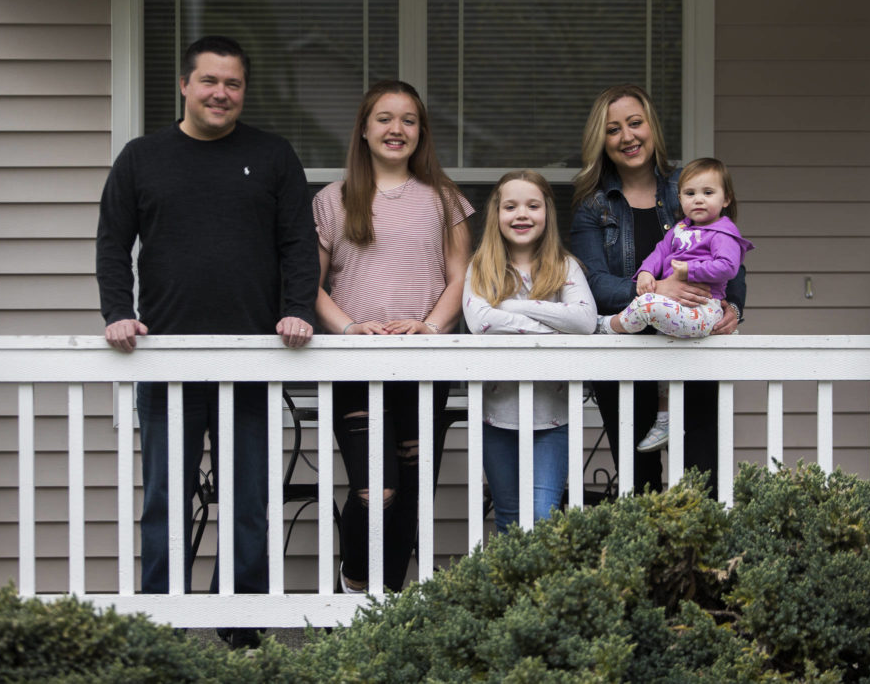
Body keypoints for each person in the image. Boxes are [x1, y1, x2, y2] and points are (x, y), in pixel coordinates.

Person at [95, 36, 319, 648]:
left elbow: (299, 244)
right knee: (167, 500)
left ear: (243, 91)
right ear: (186, 86)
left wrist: (297, 310)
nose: (222, 93)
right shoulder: (142, 158)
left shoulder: (273, 157)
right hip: (167, 357)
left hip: (254, 357)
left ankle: (238, 625)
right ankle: (163, 624)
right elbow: (113, 243)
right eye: (210, 81)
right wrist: (119, 312)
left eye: (234, 84)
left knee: (249, 502)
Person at [313, 80, 473, 593]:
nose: (396, 129)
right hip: (356, 364)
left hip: (423, 365)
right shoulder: (331, 201)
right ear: (363, 129)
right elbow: (309, 288)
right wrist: (349, 327)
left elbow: (460, 278)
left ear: (421, 132)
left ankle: (391, 608)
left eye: (408, 120)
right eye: (384, 118)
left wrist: (428, 326)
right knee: (375, 489)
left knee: (412, 492)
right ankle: (356, 587)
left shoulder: (444, 199)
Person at [569, 84, 747, 497]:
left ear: (652, 128)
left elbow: (730, 250)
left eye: (635, 123)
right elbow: (595, 284)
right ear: (602, 140)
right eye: (614, 129)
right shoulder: (593, 207)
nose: (627, 137)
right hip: (626, 362)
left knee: (703, 482)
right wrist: (656, 291)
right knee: (639, 485)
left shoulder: (687, 187)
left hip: (693, 354)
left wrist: (734, 305)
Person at [462, 170, 598, 532]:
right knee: (508, 516)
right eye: (511, 206)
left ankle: (540, 591)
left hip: (553, 416)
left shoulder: (564, 266)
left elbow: (585, 320)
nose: (521, 214)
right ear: (497, 214)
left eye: (532, 205)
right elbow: (480, 322)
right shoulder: (482, 266)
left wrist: (516, 307)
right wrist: (553, 328)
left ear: (547, 213)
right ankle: (513, 591)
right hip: (497, 414)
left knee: (541, 515)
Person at [602, 157, 753, 452]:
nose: (698, 200)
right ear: (680, 197)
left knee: (647, 306)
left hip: (703, 308)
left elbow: (727, 267)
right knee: (666, 363)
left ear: (726, 199)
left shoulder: (723, 233)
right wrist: (645, 272)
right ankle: (665, 417)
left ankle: (610, 326)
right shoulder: (679, 230)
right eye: (690, 193)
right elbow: (659, 252)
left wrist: (688, 271)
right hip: (681, 311)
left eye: (708, 193)